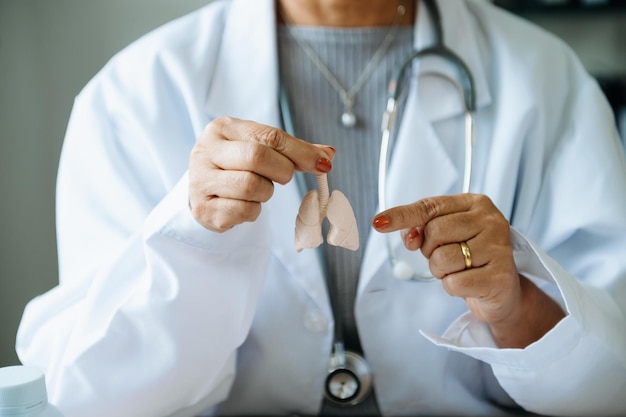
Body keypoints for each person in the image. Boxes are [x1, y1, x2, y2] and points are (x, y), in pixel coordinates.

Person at [15, 0, 626, 416]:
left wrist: (513, 304)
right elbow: (100, 392)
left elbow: (610, 382)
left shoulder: (545, 79)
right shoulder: (134, 92)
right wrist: (193, 234)